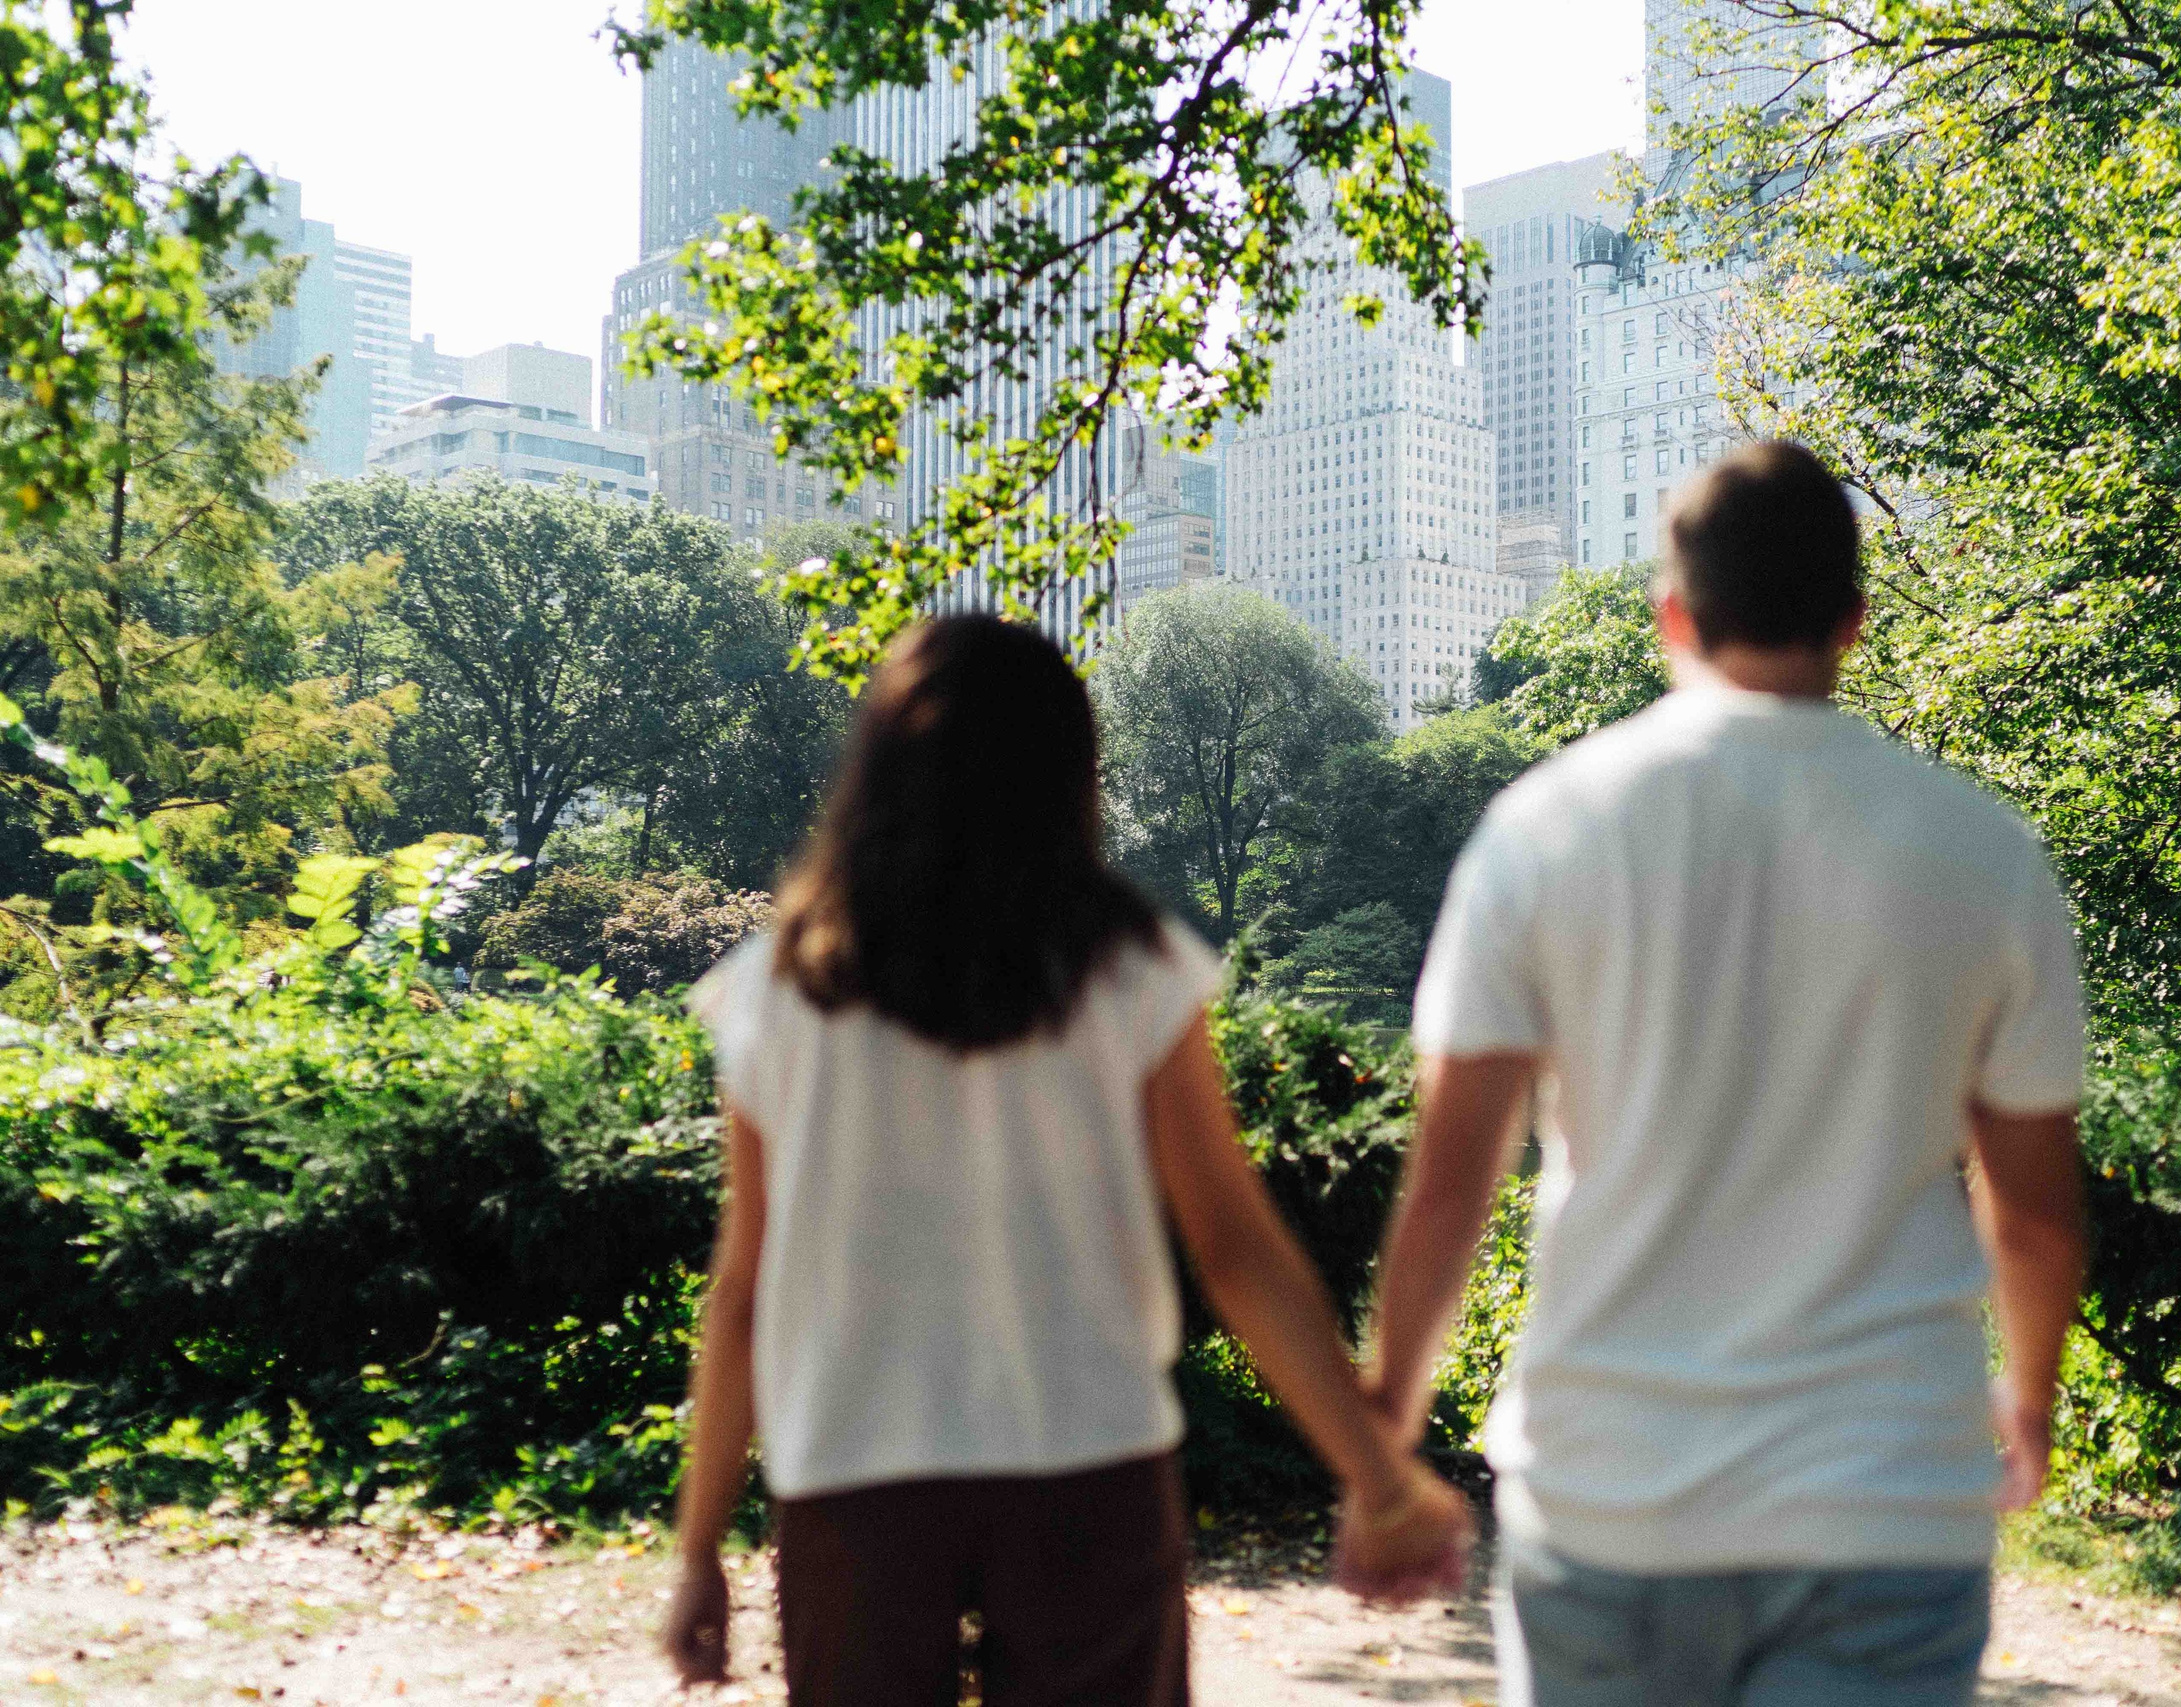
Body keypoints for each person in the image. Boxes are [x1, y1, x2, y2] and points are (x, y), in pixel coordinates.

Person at [1360, 441, 2089, 1706]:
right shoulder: (1981, 850)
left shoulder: (1544, 830)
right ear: (1854, 621)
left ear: (1672, 615)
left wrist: (1383, 1442)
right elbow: (2031, 1211)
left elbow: (1447, 1191)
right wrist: (2026, 1403)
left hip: (1611, 1494)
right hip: (1887, 1497)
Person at [661, 615, 1470, 1707]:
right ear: (1070, 772)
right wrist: (1375, 1476)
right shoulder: (1126, 966)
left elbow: (743, 1296)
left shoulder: (776, 993)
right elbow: (1232, 1248)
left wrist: (699, 1548)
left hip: (851, 1481)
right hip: (1087, 1471)